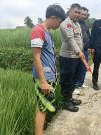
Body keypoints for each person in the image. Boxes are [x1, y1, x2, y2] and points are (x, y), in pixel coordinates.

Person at [30, 4, 66, 135]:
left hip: (49, 77)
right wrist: (44, 81)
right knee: (42, 108)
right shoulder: (38, 30)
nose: (60, 25)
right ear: (53, 17)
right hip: (44, 78)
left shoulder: (46, 32)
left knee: (43, 107)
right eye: (60, 21)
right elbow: (36, 57)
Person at [59, 3, 85, 112]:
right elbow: (71, 39)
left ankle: (70, 98)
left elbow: (79, 39)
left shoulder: (77, 24)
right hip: (68, 57)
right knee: (67, 80)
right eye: (75, 12)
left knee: (73, 80)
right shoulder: (67, 24)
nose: (77, 14)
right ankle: (65, 102)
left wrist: (80, 52)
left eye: (79, 13)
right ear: (70, 11)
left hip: (76, 57)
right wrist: (79, 52)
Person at [73, 7, 91, 94]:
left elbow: (88, 35)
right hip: (78, 50)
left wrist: (90, 46)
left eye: (85, 15)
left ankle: (81, 83)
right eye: (82, 14)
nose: (84, 16)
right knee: (77, 67)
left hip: (86, 49)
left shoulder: (85, 24)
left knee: (84, 67)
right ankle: (75, 85)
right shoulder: (75, 23)